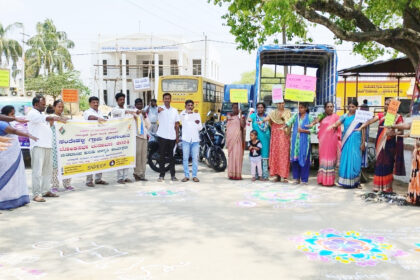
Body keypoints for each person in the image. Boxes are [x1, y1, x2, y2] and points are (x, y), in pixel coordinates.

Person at [358, 98, 405, 193]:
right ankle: (378, 187)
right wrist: (363, 125)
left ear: (393, 106)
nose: (386, 106)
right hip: (379, 143)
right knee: (379, 164)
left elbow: (401, 131)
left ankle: (387, 188)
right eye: (385, 104)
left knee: (388, 165)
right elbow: (371, 121)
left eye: (389, 104)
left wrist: (394, 134)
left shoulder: (398, 117)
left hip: (390, 145)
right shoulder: (381, 115)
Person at [27, 96, 67, 202]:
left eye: (44, 104)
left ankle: (45, 190)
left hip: (47, 146)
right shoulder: (32, 113)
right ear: (36, 104)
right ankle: (36, 194)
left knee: (47, 171)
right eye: (42, 104)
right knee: (37, 172)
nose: (44, 106)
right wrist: (57, 118)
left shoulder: (42, 114)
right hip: (38, 146)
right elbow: (47, 119)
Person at [0, 106, 38, 209]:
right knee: (6, 179)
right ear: (5, 115)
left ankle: (17, 199)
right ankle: (5, 202)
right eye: (12, 114)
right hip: (6, 158)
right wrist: (28, 135)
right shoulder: (2, 124)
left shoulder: (8, 122)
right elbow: (13, 131)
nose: (14, 116)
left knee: (16, 179)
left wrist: (15, 119)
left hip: (13, 156)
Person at [328, 99, 365, 188]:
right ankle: (344, 181)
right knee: (345, 159)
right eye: (349, 106)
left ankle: (356, 181)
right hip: (346, 141)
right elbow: (337, 123)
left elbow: (363, 129)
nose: (351, 108)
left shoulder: (360, 117)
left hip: (356, 141)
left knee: (356, 160)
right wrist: (332, 126)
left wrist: (363, 142)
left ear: (357, 107)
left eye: (353, 107)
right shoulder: (344, 116)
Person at [308, 102, 341, 186]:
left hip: (332, 141)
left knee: (330, 159)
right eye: (328, 107)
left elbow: (339, 128)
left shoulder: (336, 117)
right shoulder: (322, 116)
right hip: (323, 141)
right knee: (323, 159)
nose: (330, 108)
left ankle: (329, 181)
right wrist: (312, 124)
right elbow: (317, 120)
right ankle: (322, 179)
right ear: (325, 108)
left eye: (331, 106)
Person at [262, 100, 292, 182]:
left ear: (284, 103)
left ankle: (285, 176)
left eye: (282, 103)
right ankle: (276, 175)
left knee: (284, 154)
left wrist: (284, 119)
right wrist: (262, 120)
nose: (281, 105)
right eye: (279, 103)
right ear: (276, 104)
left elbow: (289, 122)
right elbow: (268, 118)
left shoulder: (287, 112)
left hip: (284, 134)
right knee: (276, 154)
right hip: (275, 135)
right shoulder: (273, 112)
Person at [285, 103, 314, 185]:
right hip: (296, 143)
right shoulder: (296, 116)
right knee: (295, 160)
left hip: (305, 143)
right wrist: (285, 126)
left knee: (305, 159)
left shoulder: (310, 117)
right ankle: (296, 178)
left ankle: (304, 179)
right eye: (299, 108)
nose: (300, 109)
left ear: (305, 108)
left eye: (301, 108)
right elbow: (289, 122)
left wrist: (303, 131)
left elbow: (314, 130)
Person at [84, 96, 109, 187]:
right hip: (91, 140)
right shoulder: (87, 112)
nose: (95, 104)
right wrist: (98, 118)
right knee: (91, 159)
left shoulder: (100, 112)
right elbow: (90, 117)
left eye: (97, 102)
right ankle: (89, 180)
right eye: (93, 102)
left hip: (100, 139)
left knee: (100, 158)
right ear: (90, 103)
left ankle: (98, 179)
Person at [50, 100, 74, 192]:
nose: (61, 109)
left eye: (62, 107)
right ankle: (55, 185)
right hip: (55, 144)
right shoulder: (51, 117)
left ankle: (67, 184)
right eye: (59, 107)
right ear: (54, 107)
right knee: (55, 166)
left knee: (66, 163)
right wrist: (59, 120)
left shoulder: (66, 118)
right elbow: (50, 125)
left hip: (65, 144)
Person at [156, 93, 180, 182]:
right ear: (163, 99)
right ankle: (161, 175)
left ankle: (173, 175)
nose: (167, 100)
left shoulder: (174, 110)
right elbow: (153, 112)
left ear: (170, 99)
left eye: (168, 98)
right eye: (165, 98)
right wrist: (157, 110)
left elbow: (177, 124)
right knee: (161, 157)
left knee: (171, 157)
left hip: (172, 137)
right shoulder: (159, 109)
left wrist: (177, 136)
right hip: (162, 136)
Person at [111, 92, 133, 184]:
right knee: (119, 157)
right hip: (118, 137)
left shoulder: (126, 109)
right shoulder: (115, 110)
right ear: (117, 101)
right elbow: (122, 112)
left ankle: (126, 176)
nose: (122, 101)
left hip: (126, 137)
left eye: (123, 99)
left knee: (126, 156)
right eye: (120, 100)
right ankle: (119, 178)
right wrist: (127, 111)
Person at [180, 99, 202, 182]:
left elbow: (200, 128)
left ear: (193, 106)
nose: (190, 107)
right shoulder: (182, 114)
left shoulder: (197, 114)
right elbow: (181, 119)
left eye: (191, 105)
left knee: (195, 158)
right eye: (188, 105)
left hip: (195, 140)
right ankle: (186, 175)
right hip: (186, 139)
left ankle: (194, 176)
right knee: (185, 158)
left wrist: (197, 123)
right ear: (185, 106)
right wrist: (187, 113)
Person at [248, 102, 270, 180]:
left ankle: (264, 175)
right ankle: (256, 175)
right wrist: (249, 117)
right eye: (258, 107)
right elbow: (249, 120)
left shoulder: (267, 117)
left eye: (262, 107)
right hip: (255, 141)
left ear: (264, 108)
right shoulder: (253, 116)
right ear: (256, 108)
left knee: (264, 158)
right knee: (256, 156)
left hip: (265, 140)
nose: (260, 109)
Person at [226, 103, 245, 180]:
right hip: (231, 139)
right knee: (231, 157)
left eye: (237, 108)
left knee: (238, 156)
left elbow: (243, 125)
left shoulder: (242, 116)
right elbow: (227, 126)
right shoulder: (229, 116)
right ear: (232, 108)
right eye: (234, 107)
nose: (235, 109)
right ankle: (231, 174)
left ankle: (237, 174)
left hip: (238, 139)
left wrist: (240, 115)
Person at [133, 98, 150, 181]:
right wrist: (136, 114)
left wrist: (145, 116)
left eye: (141, 104)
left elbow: (148, 125)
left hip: (144, 137)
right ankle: (136, 173)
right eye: (138, 104)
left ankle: (142, 174)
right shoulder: (133, 113)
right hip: (137, 137)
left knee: (144, 157)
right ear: (135, 105)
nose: (140, 106)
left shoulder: (144, 113)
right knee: (137, 156)